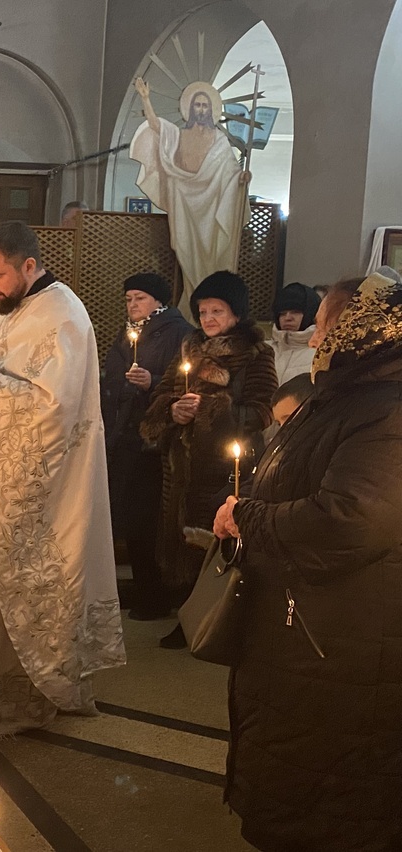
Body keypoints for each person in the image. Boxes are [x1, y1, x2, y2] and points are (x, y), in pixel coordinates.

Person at [213, 271, 402, 851]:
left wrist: (250, 518)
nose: (316, 339)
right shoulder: (342, 398)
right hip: (302, 629)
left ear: (364, 332)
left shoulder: (388, 413)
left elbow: (350, 521)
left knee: (331, 801)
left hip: (340, 640)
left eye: (325, 326)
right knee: (293, 776)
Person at [0, 222, 126, 735]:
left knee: (23, 588)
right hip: (3, 479)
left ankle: (24, 700)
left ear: (29, 266)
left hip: (41, 485)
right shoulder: (17, 310)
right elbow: (2, 375)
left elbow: (52, 408)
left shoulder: (62, 315)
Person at [140, 270, 277, 648]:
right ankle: (188, 614)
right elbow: (162, 395)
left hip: (225, 466)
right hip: (182, 465)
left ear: (236, 314)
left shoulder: (255, 353)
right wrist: (173, 410)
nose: (208, 319)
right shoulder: (190, 347)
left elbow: (264, 410)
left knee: (216, 541)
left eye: (217, 311)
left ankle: (214, 620)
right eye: (202, 312)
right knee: (181, 538)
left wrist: (212, 411)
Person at [101, 273, 193, 620]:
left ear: (158, 300)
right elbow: (113, 375)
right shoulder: (126, 334)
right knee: (131, 518)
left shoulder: (178, 333)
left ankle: (157, 594)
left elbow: (181, 382)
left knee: (150, 521)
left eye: (139, 298)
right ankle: (143, 590)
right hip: (126, 438)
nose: (132, 304)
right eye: (128, 299)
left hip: (154, 442)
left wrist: (151, 382)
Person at [130, 77, 251, 306]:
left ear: (211, 109)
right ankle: (193, 301)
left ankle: (211, 301)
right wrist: (146, 99)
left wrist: (241, 179)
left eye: (205, 105)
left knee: (213, 254)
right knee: (185, 251)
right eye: (197, 105)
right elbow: (156, 127)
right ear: (190, 108)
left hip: (211, 205)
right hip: (184, 201)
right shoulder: (179, 135)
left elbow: (230, 172)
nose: (201, 109)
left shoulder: (219, 141)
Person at [268, 282, 320, 382]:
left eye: (295, 312)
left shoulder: (320, 354)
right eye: (282, 313)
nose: (287, 318)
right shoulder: (264, 350)